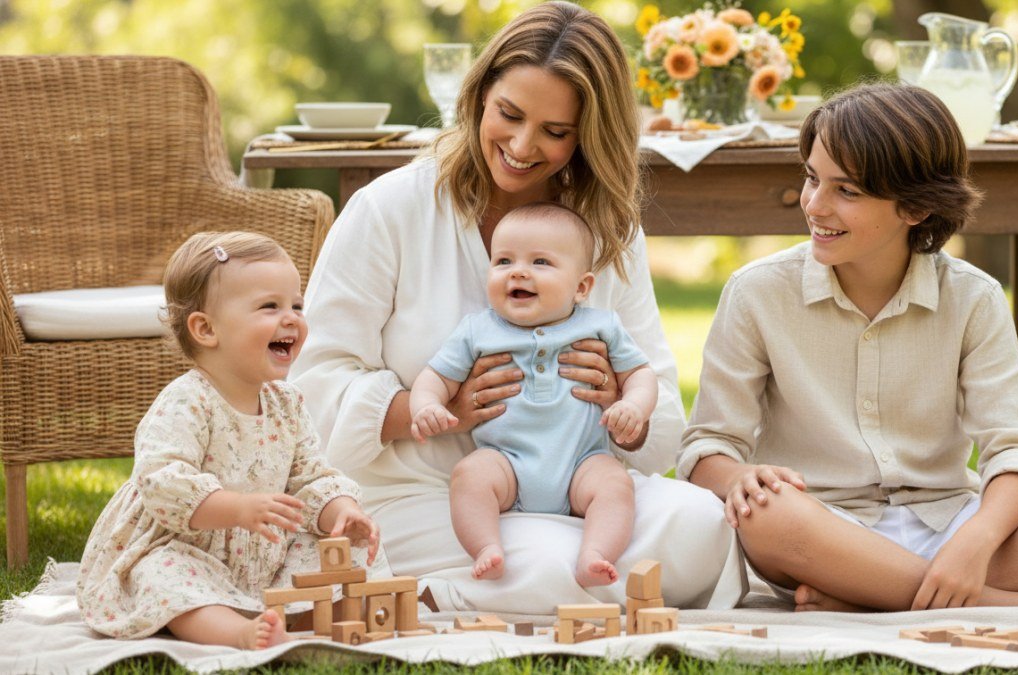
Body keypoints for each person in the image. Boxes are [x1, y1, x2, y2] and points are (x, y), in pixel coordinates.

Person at [291, 1, 740, 613]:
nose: (523, 146)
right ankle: (449, 588)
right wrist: (429, 407)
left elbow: (658, 417)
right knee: (554, 560)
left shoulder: (607, 230)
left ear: (589, 135)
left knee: (704, 524)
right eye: (508, 114)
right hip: (421, 494)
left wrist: (620, 400)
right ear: (479, 97)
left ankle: (499, 584)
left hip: (575, 490)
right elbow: (308, 384)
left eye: (556, 132)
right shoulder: (389, 210)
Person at [681, 83, 1018, 613]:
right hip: (820, 535)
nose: (814, 205)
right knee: (764, 513)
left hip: (950, 526)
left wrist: (978, 539)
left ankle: (872, 597)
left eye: (845, 191)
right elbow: (707, 445)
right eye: (811, 178)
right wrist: (739, 477)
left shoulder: (973, 298)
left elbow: (1014, 450)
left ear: (916, 208)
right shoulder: (756, 292)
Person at [77, 232, 382, 650]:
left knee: (344, 551)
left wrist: (341, 512)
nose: (291, 318)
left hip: (261, 554)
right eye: (269, 306)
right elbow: (161, 482)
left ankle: (307, 615)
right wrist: (237, 507)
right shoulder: (188, 401)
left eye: (296, 305)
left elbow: (309, 477)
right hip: (185, 544)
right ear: (206, 329)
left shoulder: (286, 404)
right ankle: (235, 631)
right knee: (162, 573)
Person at [410, 203, 657, 587]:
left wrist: (632, 405)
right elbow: (434, 378)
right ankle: (486, 548)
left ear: (581, 287)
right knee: (470, 476)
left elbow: (641, 374)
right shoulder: (478, 330)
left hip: (582, 461)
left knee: (614, 485)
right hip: (505, 462)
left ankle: (594, 554)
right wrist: (426, 405)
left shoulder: (601, 325)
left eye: (540, 262)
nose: (518, 271)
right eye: (503, 261)